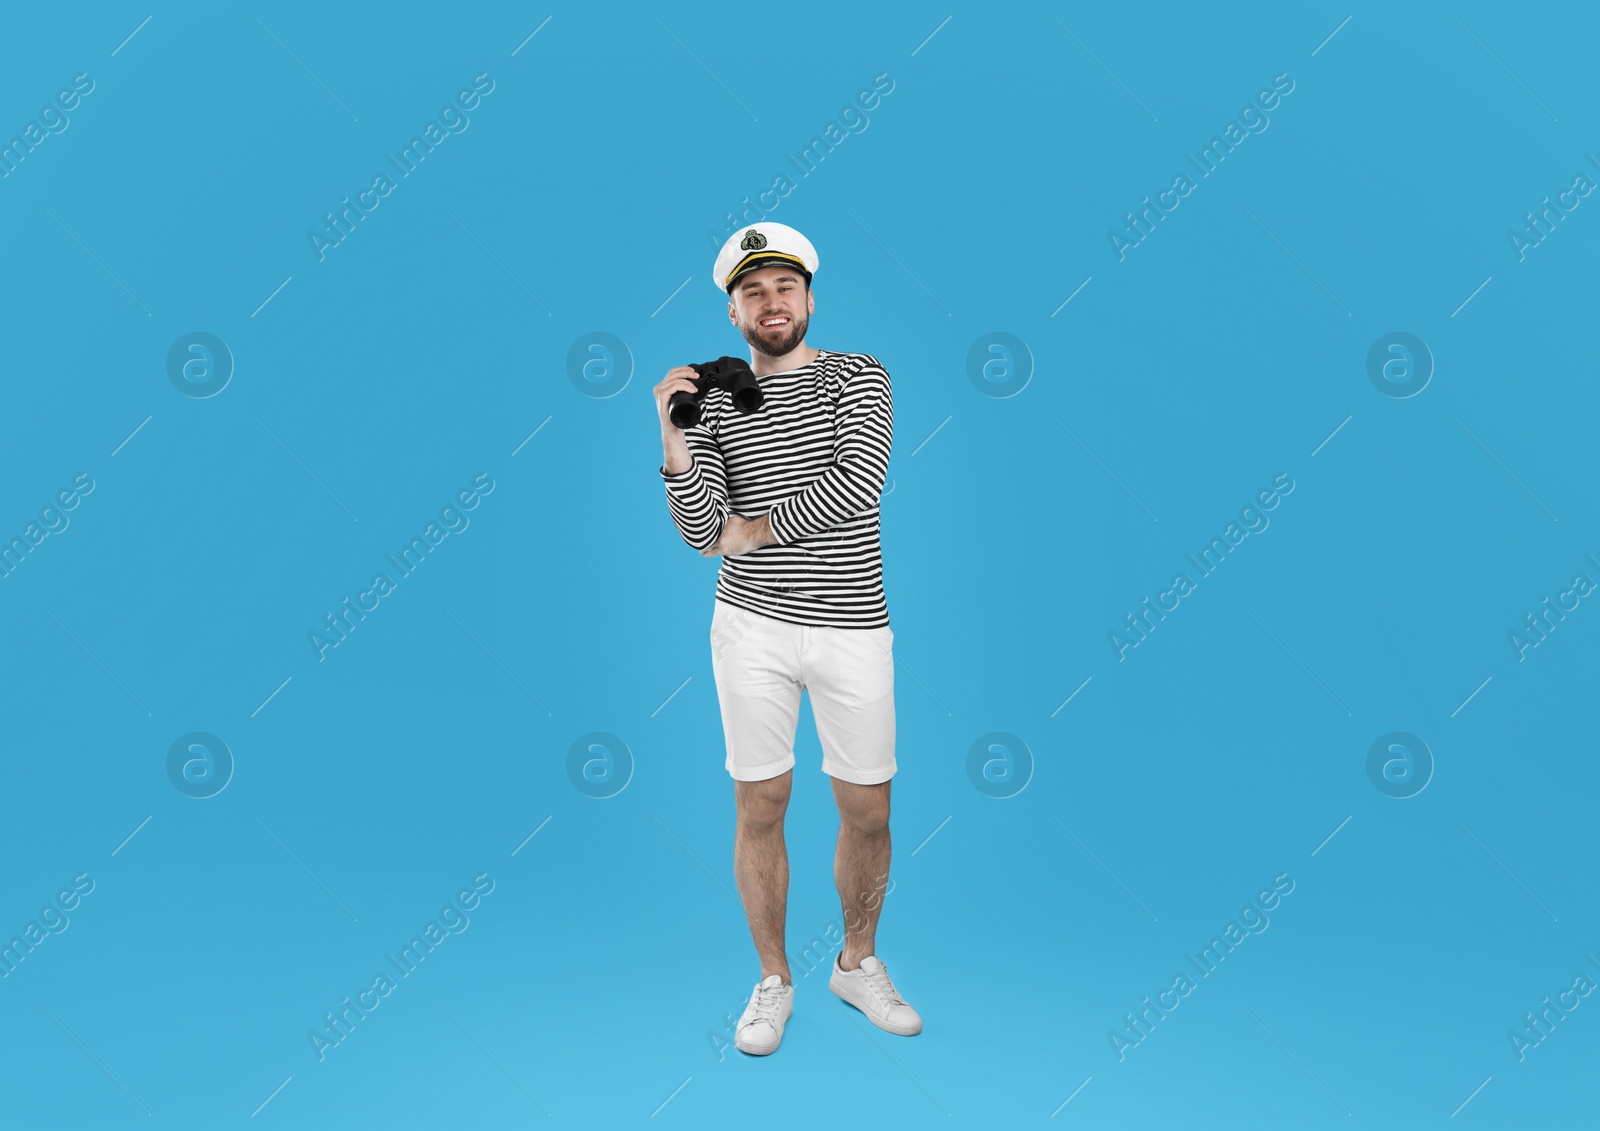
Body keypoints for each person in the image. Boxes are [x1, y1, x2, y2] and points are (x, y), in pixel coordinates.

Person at [653, 221, 921, 1056]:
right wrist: (672, 435)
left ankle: (857, 962)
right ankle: (774, 979)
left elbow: (855, 484)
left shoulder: (857, 375)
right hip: (750, 630)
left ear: (809, 298)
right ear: (733, 313)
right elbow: (702, 532)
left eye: (784, 288)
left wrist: (753, 530)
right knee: (760, 802)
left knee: (866, 805)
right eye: (753, 293)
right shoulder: (718, 399)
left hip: (850, 626)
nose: (772, 304)